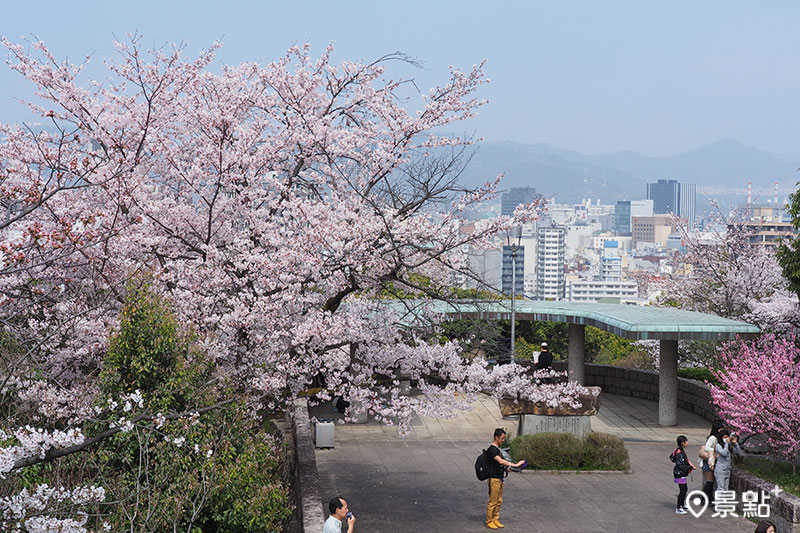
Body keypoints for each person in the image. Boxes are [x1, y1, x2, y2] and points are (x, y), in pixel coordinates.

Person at [485, 428, 525, 530]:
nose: (503, 440)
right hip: (494, 479)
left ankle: (495, 519)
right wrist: (514, 464)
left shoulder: (498, 449)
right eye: (502, 438)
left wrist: (507, 469)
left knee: (499, 500)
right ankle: (489, 521)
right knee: (493, 501)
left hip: (500, 477)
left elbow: (500, 465)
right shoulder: (492, 450)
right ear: (496, 437)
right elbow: (501, 461)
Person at [670, 435, 695, 514]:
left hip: (680, 473)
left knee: (684, 489)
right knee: (683, 490)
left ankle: (682, 505)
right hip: (679, 473)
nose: (687, 443)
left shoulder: (678, 450)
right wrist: (690, 467)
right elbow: (680, 465)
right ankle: (679, 507)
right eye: (686, 441)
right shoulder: (680, 452)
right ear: (683, 443)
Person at [701, 421, 723, 503]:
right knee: (709, 481)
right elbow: (706, 448)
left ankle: (709, 498)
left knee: (711, 481)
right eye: (720, 429)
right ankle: (704, 498)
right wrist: (715, 451)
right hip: (708, 461)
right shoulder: (713, 438)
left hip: (711, 461)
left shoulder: (715, 437)